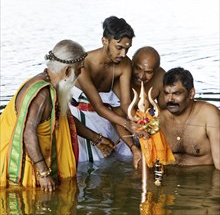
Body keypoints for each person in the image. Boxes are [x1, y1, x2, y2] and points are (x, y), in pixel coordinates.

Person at [0, 39, 115, 191]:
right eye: (79, 69)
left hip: (37, 163)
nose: (80, 74)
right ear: (67, 71)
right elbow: (28, 132)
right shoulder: (41, 95)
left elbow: (67, 119)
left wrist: (97, 139)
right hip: (20, 167)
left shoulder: (53, 87)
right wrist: (43, 172)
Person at [70, 16, 143, 168]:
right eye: (119, 48)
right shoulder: (83, 63)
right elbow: (98, 106)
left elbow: (125, 103)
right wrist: (127, 124)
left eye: (127, 49)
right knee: (85, 165)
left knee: (113, 163)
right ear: (105, 41)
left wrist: (140, 122)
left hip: (107, 119)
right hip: (80, 117)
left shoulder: (125, 64)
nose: (123, 54)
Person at [160, 67, 220, 170]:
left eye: (176, 93)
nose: (170, 99)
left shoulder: (209, 115)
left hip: (202, 180)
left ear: (191, 93)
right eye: (166, 93)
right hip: (170, 180)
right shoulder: (159, 118)